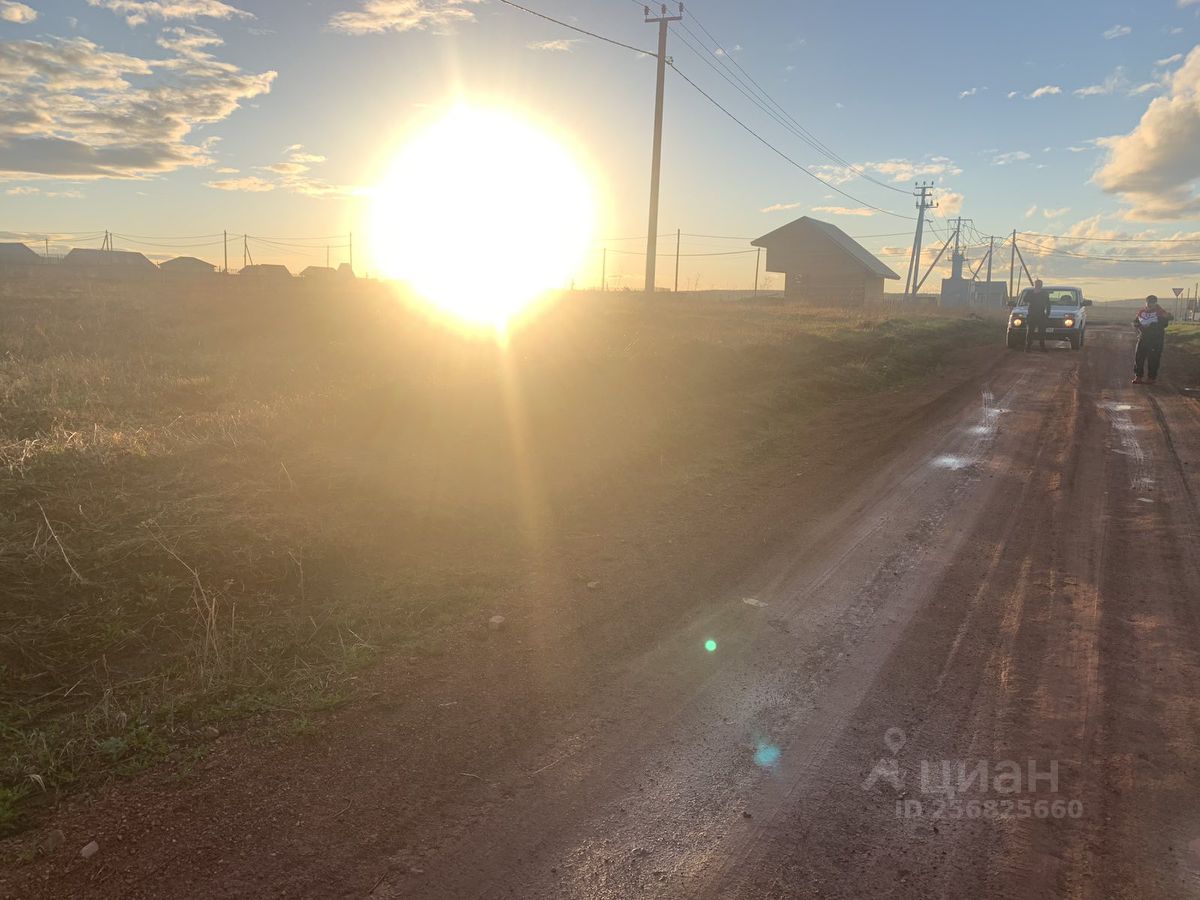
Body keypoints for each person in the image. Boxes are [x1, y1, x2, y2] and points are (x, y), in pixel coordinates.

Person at [1132, 295, 1174, 385]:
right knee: (1139, 358)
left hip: (1156, 340)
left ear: (1155, 303)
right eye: (1148, 303)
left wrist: (1165, 318)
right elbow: (1135, 322)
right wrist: (1138, 326)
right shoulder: (1142, 312)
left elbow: (1166, 322)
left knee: (1154, 359)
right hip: (1143, 338)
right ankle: (1138, 377)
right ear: (1146, 302)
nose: (1149, 305)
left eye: (1152, 303)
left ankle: (1151, 378)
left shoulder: (1160, 312)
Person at [1025, 279, 1052, 351]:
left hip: (1041, 315)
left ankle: (1042, 347)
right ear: (1034, 285)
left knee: (1042, 332)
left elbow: (1048, 304)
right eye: (1037, 284)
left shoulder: (1044, 294)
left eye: (1039, 284)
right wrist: (1033, 294)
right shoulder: (1030, 293)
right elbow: (1025, 300)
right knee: (1030, 332)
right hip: (1032, 315)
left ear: (1041, 285)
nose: (1038, 286)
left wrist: (1047, 314)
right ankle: (1028, 347)